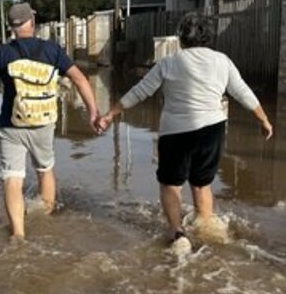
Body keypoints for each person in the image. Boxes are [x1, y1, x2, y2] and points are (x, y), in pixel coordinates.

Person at [97, 14, 273, 253]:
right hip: (212, 130)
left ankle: (177, 233)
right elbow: (243, 92)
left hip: (176, 132)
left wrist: (110, 114)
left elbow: (140, 92)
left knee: (171, 184)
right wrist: (263, 120)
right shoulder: (222, 61)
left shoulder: (169, 62)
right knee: (202, 183)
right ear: (209, 37)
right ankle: (207, 229)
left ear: (181, 38)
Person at [0, 2, 101, 239]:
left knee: (12, 177)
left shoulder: (2, 52)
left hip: (11, 126)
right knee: (45, 169)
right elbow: (80, 79)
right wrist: (92, 112)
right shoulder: (52, 50)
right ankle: (46, 222)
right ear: (32, 21)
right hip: (43, 124)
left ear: (11, 27)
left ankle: (18, 235)